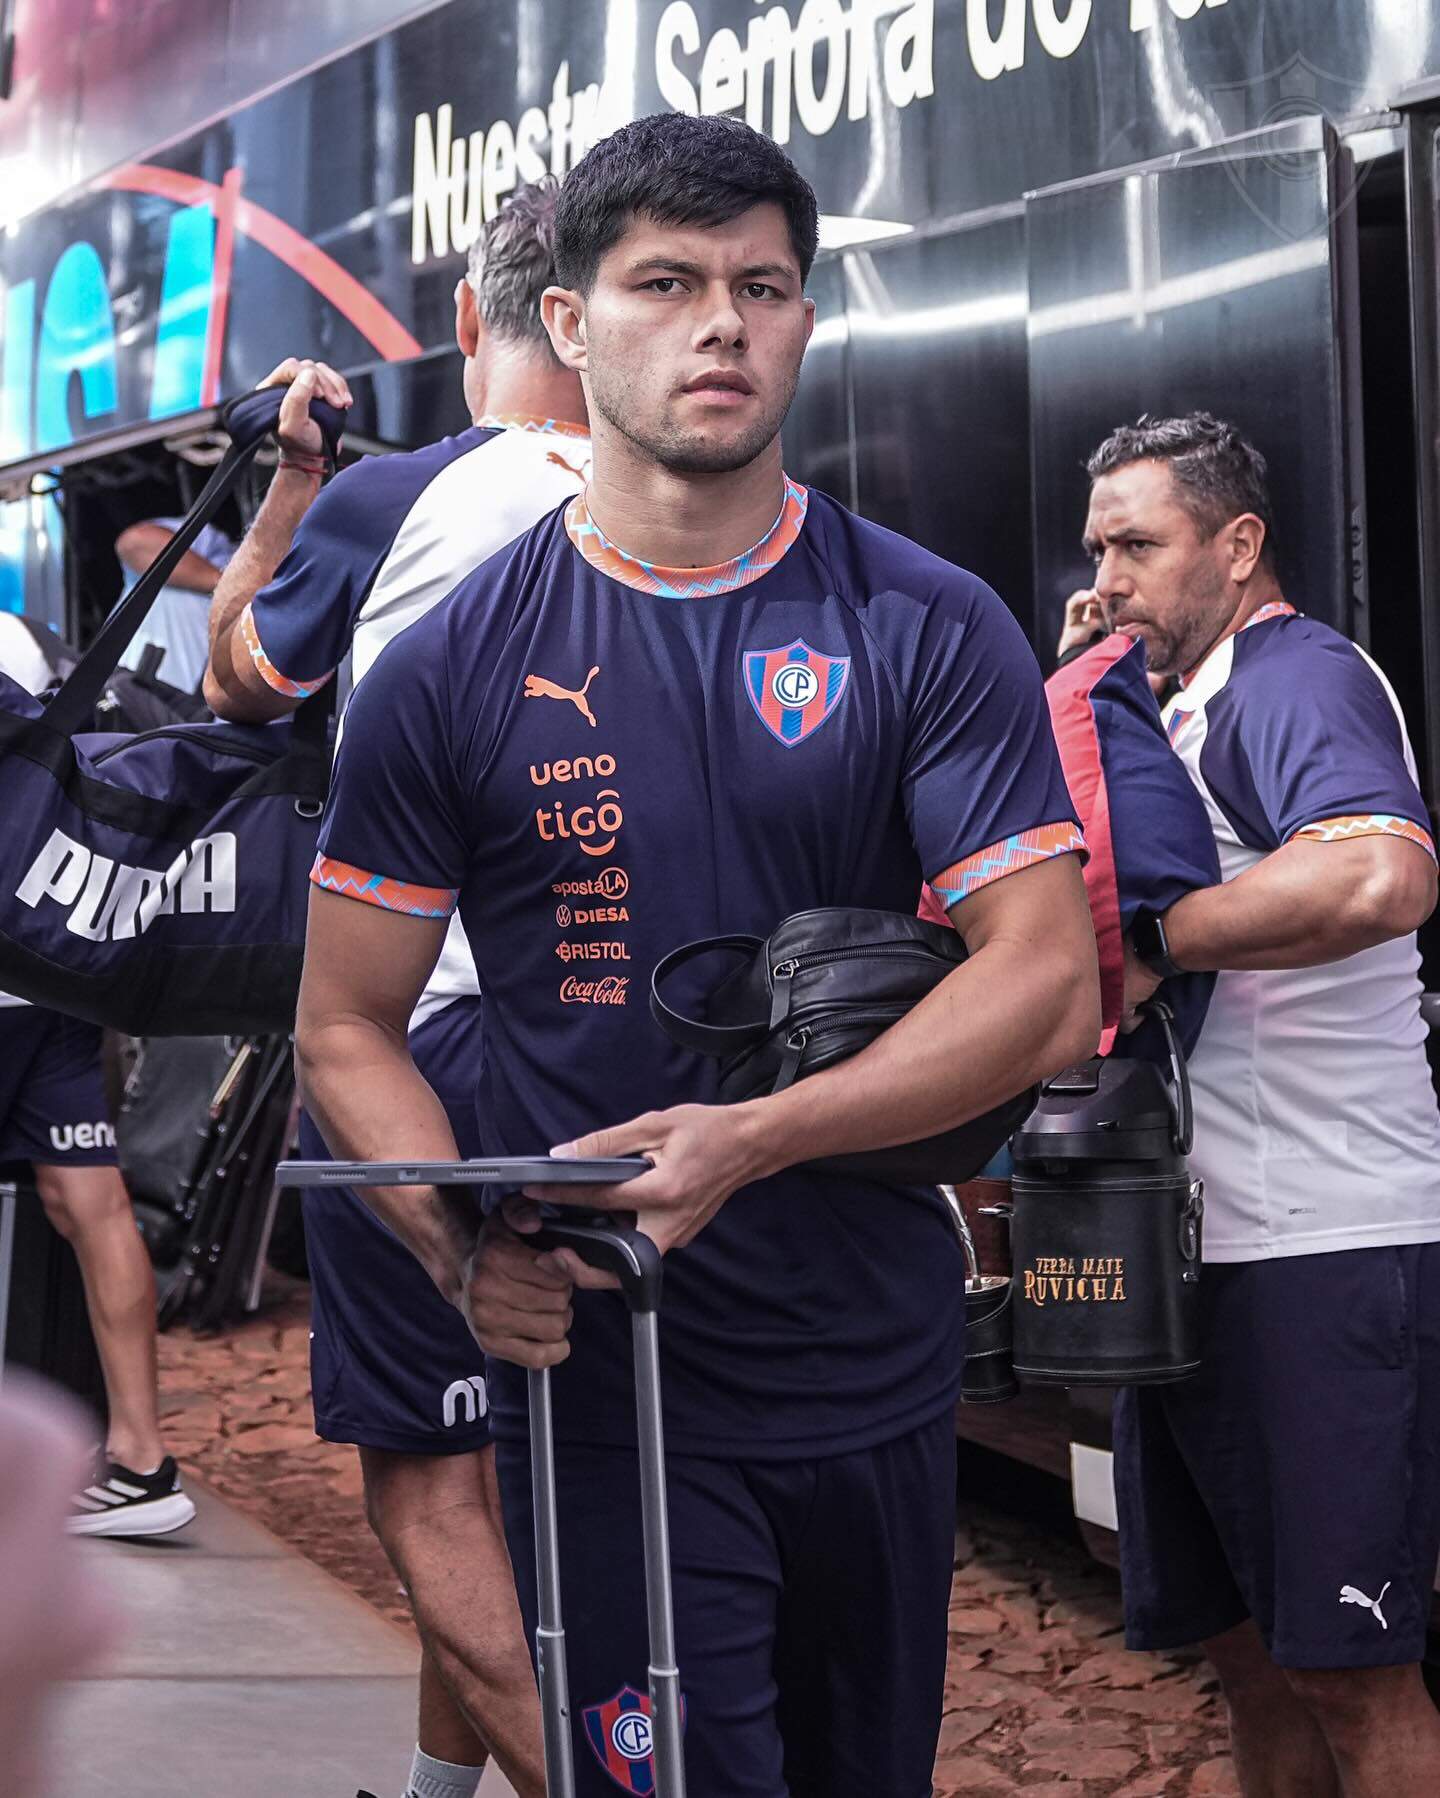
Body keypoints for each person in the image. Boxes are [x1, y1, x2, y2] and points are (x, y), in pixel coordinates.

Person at [295, 111, 1099, 1796]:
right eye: (665, 282)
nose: (722, 322)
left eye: (764, 285)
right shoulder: (453, 665)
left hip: (875, 1358)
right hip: (608, 1383)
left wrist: (756, 1137)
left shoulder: (923, 619)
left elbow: (1044, 980)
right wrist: (456, 1252)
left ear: (805, 318)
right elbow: (346, 1025)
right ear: (570, 321)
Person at [204, 179, 589, 1798]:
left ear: (477, 318)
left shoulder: (406, 495)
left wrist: (291, 490)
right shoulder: (691, 507)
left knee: (433, 1482)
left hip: (422, 1039)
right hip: (617, 1045)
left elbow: (236, 677)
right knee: (537, 1465)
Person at [1084, 412, 1440, 1797]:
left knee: (1353, 1672)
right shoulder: (1178, 703)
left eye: (1138, 545)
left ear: (1239, 547)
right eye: (1097, 547)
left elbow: (1380, 874)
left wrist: (1158, 942)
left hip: (1322, 1245)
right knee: (1244, 1652)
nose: (1109, 577)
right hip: (1197, 1251)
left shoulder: (1293, 678)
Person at [0, 610, 195, 1537]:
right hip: (56, 968)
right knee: (92, 1203)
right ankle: (141, 1457)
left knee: (91, 1206)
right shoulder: (23, 640)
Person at [113, 513, 236, 692]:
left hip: (192, 704)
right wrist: (234, 586)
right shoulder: (211, 541)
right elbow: (134, 543)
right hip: (124, 695)